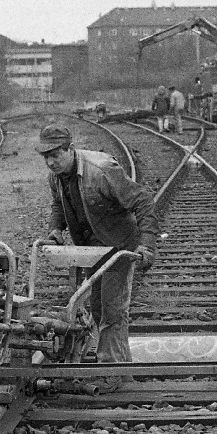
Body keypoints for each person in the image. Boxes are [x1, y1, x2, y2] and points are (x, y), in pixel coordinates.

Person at [37, 123, 158, 365]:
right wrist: (55, 229)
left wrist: (146, 244)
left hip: (119, 244)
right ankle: (119, 364)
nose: (50, 162)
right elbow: (59, 204)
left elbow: (143, 200)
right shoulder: (56, 177)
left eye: (55, 155)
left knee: (112, 309)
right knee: (98, 307)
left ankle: (111, 371)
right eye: (46, 157)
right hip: (91, 249)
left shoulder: (101, 171)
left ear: (70, 148)